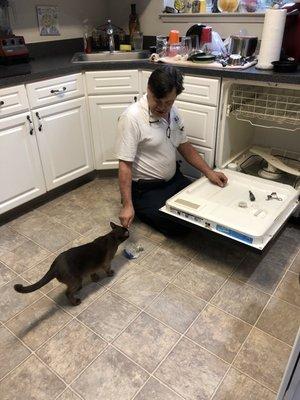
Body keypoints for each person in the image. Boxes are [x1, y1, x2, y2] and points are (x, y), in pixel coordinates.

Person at [116, 66, 227, 236]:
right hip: (146, 190)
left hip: (174, 180)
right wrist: (127, 205)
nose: (162, 107)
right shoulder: (131, 118)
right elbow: (125, 164)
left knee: (205, 209)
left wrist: (209, 172)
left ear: (175, 96)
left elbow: (184, 145)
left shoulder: (173, 112)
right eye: (157, 101)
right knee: (179, 227)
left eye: (168, 102)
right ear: (148, 89)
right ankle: (139, 206)